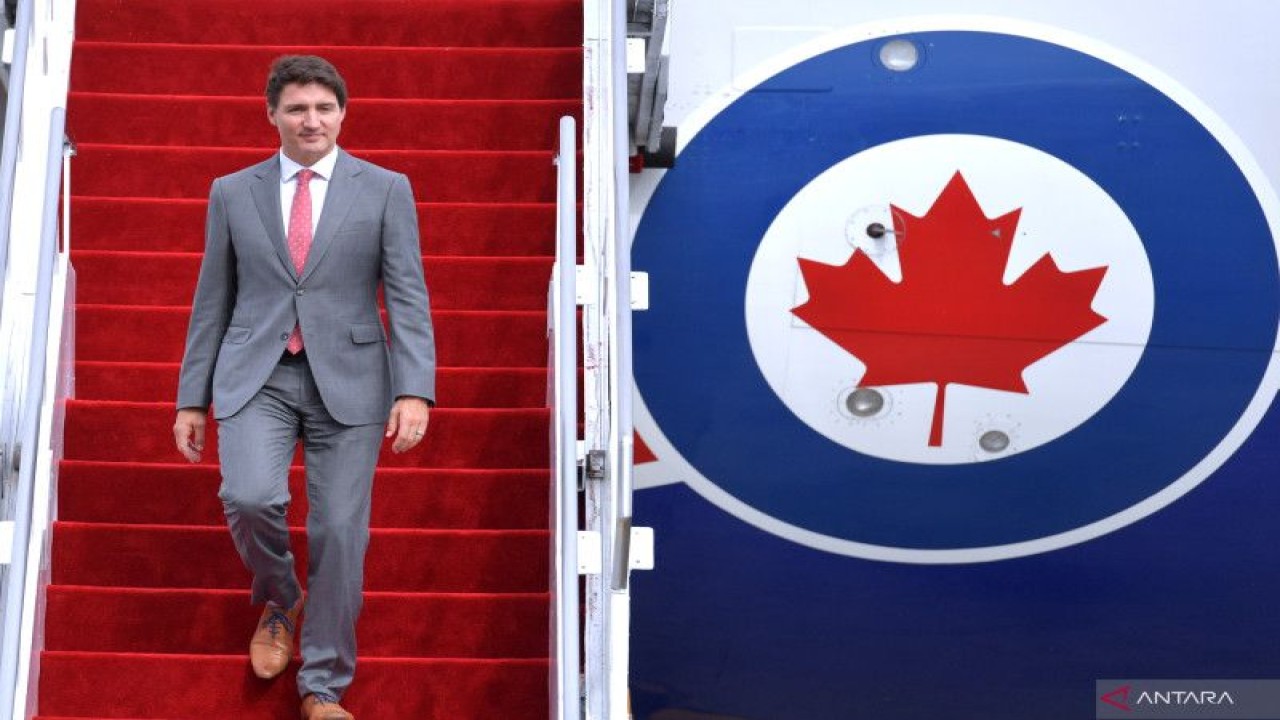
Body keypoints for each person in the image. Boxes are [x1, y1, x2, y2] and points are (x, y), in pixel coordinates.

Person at [172, 55, 435, 720]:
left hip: (349, 378)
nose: (311, 120)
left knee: (342, 532)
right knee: (248, 494)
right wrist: (190, 397)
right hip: (256, 371)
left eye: (323, 107)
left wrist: (415, 390)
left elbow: (406, 295)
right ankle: (282, 594)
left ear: (343, 113)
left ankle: (322, 686)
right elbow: (213, 299)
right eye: (297, 108)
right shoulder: (234, 192)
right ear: (273, 116)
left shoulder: (384, 188)